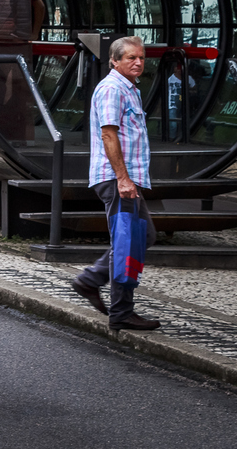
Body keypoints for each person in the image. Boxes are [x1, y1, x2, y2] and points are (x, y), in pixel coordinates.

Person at [70, 35, 161, 331]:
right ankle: (120, 311)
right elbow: (109, 135)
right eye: (130, 58)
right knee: (129, 242)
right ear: (114, 60)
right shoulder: (112, 89)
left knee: (140, 237)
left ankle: (92, 281)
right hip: (116, 179)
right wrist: (122, 179)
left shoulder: (129, 88)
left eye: (141, 58)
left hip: (125, 179)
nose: (138, 62)